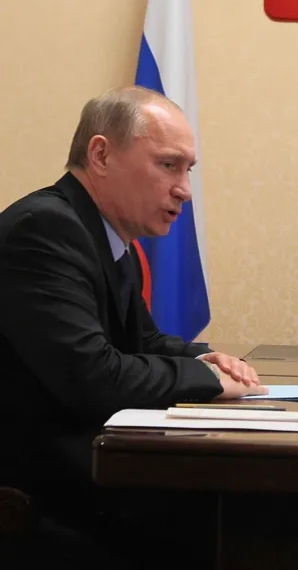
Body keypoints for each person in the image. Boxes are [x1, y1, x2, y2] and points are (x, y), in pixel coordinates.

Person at [0, 86, 268, 567]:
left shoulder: (104, 234)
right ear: (101, 155)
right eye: (168, 165)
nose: (184, 189)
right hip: (36, 487)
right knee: (236, 512)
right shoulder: (43, 230)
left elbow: (141, 341)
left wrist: (207, 359)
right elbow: (93, 377)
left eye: (187, 170)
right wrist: (207, 379)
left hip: (84, 464)